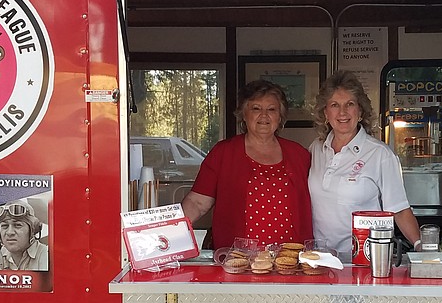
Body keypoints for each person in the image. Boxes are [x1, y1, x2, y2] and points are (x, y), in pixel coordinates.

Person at [180, 80, 312, 250]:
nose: (264, 116)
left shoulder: (299, 155)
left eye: (271, 109)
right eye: (256, 108)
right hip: (238, 260)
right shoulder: (224, 153)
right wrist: (167, 233)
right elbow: (197, 203)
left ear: (280, 116)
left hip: (291, 260)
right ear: (243, 114)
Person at [308, 70, 421, 261]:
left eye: (350, 104)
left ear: (360, 111)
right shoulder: (316, 149)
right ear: (325, 112)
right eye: (335, 105)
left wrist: (422, 249)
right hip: (320, 260)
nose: (342, 112)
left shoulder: (380, 155)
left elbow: (399, 210)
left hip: (364, 261)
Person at [0, 200, 49, 271]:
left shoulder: (46, 254)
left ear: (33, 230)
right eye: (4, 226)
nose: (10, 232)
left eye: (17, 225)